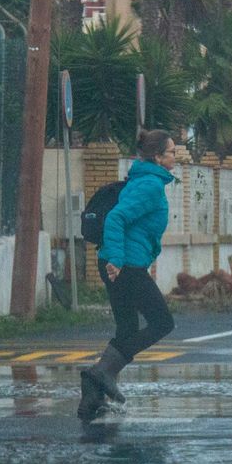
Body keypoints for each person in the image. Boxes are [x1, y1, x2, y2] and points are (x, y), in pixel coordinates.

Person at [78, 129, 178, 421]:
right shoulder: (149, 185)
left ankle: (91, 398)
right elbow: (117, 218)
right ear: (158, 157)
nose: (175, 156)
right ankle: (101, 373)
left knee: (127, 329)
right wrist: (118, 261)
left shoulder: (144, 180)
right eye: (171, 152)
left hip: (120, 262)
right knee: (162, 322)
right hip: (125, 265)